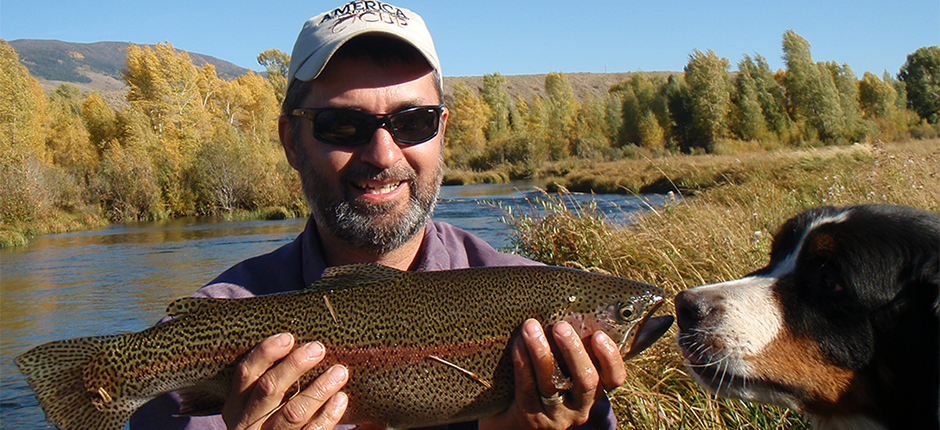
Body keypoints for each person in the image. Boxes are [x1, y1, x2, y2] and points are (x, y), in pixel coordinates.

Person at [131, 2, 627, 429]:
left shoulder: (551, 326)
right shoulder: (184, 345)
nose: (383, 154)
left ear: (443, 133)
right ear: (291, 141)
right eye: (343, 124)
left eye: (414, 122)